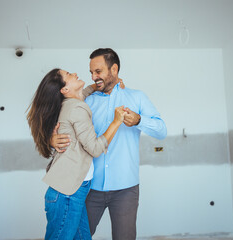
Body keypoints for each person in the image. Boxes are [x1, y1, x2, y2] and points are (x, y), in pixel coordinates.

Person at [51, 48, 167, 240]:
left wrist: (139, 120)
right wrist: (52, 139)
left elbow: (161, 131)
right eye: (91, 72)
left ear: (114, 69)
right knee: (77, 237)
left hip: (126, 190)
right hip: (89, 188)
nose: (93, 77)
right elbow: (59, 123)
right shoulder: (84, 100)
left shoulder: (137, 97)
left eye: (98, 71)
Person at [27, 68, 127, 240]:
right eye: (68, 75)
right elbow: (95, 149)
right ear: (64, 90)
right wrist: (116, 122)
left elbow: (82, 93)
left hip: (70, 190)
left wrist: (99, 85)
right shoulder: (77, 108)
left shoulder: (67, 104)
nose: (74, 73)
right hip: (67, 194)